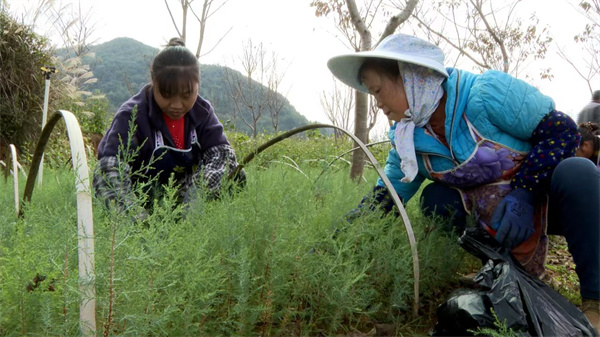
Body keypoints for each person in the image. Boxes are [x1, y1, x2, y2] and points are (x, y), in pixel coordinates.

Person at [327, 33, 599, 331]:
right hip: (492, 221)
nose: (377, 103)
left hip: (541, 205)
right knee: (436, 200)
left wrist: (526, 192)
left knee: (578, 172)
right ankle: (497, 268)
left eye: (378, 90)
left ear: (412, 79)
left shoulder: (484, 95)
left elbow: (563, 132)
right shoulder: (408, 142)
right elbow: (386, 198)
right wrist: (335, 241)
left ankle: (595, 301)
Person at [93, 38, 246, 217]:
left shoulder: (202, 113)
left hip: (183, 196)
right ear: (153, 82)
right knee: (109, 181)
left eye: (186, 95)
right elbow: (110, 169)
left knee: (236, 175)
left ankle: (192, 225)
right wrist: (137, 218)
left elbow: (222, 157)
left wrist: (195, 199)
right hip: (140, 197)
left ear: (198, 85)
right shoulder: (132, 115)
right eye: (166, 94)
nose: (176, 105)